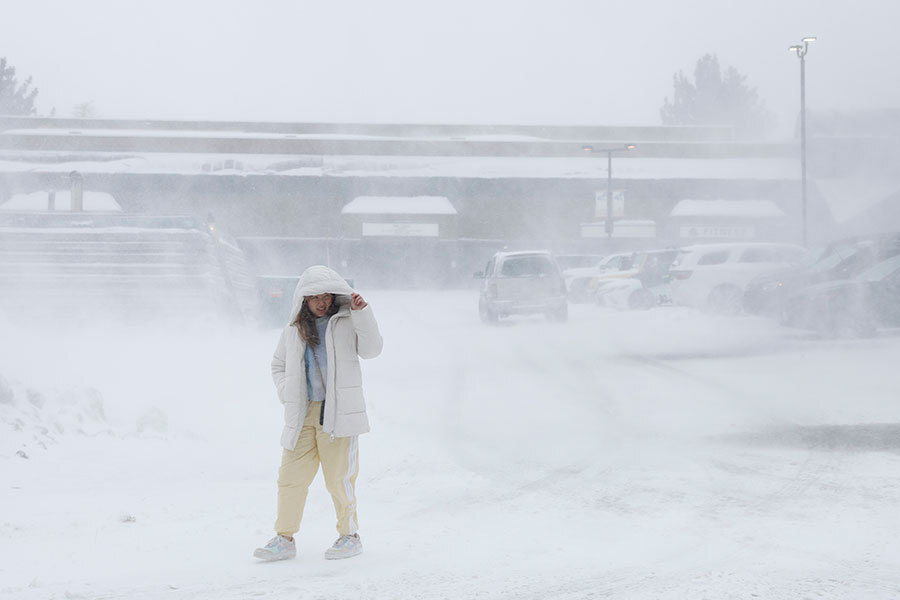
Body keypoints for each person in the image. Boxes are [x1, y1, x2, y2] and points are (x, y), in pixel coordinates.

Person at [254, 265, 383, 561]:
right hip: (303, 414)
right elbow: (277, 365)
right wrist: (288, 391)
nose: (321, 302)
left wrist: (363, 313)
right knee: (290, 477)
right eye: (315, 298)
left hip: (339, 414)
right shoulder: (294, 329)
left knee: (339, 478)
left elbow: (373, 349)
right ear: (304, 300)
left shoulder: (347, 321)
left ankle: (349, 535)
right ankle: (284, 538)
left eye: (326, 296)